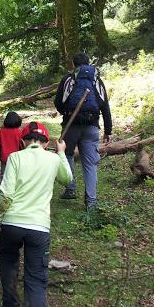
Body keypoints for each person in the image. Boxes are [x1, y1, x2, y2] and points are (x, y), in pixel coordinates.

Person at [0, 122, 72, 307]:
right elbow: (67, 180)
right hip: (38, 227)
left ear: (23, 140)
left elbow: (6, 194)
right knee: (36, 282)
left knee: (8, 263)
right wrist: (62, 153)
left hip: (12, 223)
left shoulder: (15, 158)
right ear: (45, 142)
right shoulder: (54, 159)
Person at [54, 52, 112, 208]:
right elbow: (105, 106)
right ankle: (91, 202)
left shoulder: (68, 79)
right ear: (88, 64)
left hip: (71, 125)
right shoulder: (97, 81)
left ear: (74, 64)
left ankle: (70, 188)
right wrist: (108, 130)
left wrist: (66, 113)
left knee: (67, 154)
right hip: (92, 126)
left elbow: (58, 102)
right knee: (90, 164)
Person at [0, 111, 23, 177]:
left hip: (4, 156)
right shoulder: (19, 132)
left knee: (4, 174)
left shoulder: (2, 131)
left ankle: (3, 186)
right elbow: (22, 144)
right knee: (15, 174)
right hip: (16, 157)